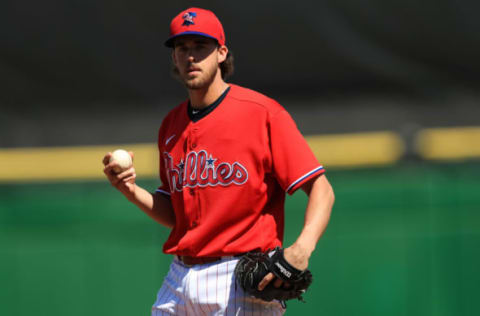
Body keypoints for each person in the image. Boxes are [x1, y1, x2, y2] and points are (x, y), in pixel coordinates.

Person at [103, 7, 334, 316]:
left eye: (201, 46)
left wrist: (302, 249)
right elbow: (177, 214)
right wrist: (131, 191)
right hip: (179, 275)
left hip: (239, 278)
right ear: (174, 57)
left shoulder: (261, 113)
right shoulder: (171, 125)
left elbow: (322, 189)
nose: (190, 57)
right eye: (182, 48)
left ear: (221, 53)